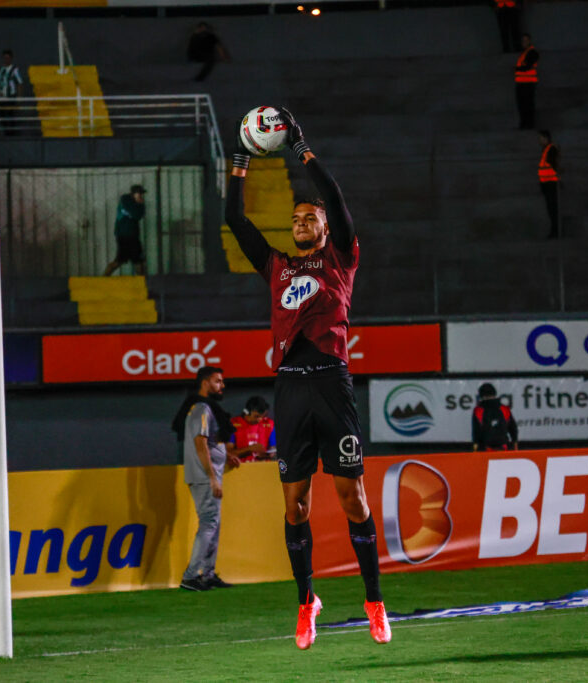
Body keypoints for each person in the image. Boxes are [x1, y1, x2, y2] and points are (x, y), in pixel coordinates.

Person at [225, 108, 391, 650]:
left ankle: (373, 600)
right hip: (291, 387)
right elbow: (235, 220)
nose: (300, 222)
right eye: (294, 218)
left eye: (308, 217)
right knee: (293, 504)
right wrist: (241, 162)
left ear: (324, 226)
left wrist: (302, 150)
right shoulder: (276, 266)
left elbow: (336, 197)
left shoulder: (341, 258)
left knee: (352, 499)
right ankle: (306, 602)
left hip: (332, 382)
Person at [172, 366, 240, 591]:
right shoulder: (201, 408)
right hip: (204, 476)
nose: (222, 385)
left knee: (213, 523)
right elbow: (200, 443)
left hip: (207, 474)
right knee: (209, 522)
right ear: (205, 383)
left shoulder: (204, 408)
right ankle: (191, 576)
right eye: (218, 381)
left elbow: (208, 443)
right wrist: (212, 477)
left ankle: (207, 573)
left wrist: (226, 455)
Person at [103, 185, 147, 276]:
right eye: (139, 193)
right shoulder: (125, 199)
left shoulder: (139, 204)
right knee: (120, 259)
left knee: (138, 259)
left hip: (133, 234)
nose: (141, 196)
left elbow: (139, 215)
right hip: (123, 234)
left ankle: (142, 281)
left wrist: (139, 205)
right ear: (133, 193)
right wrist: (138, 205)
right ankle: (104, 278)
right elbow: (135, 214)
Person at [471, 383, 518, 451]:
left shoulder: (478, 410)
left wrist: (475, 448)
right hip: (503, 448)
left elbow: (476, 432)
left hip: (485, 449)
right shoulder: (504, 409)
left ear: (481, 396)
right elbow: (513, 429)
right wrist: (515, 444)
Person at [231, 396, 276, 462]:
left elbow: (273, 449)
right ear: (246, 412)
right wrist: (250, 449)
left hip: (264, 468)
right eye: (256, 416)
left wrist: (268, 454)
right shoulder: (233, 424)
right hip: (240, 468)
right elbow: (228, 453)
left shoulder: (269, 424)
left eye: (263, 416)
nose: (260, 420)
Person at [538, 130, 561, 238]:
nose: (539, 140)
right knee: (551, 209)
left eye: (541, 138)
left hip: (551, 183)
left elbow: (554, 165)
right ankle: (554, 230)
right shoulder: (546, 149)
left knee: (553, 209)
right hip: (547, 183)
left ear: (546, 138)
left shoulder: (550, 149)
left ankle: (555, 231)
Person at [0, 50, 25, 135]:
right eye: (5, 58)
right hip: (1, 97)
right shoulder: (0, 69)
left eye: (8, 58)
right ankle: (6, 131)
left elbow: (20, 83)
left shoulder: (14, 69)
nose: (6, 59)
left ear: (11, 58)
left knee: (9, 114)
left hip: (10, 97)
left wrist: (19, 98)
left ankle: (11, 132)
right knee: (1, 114)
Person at [514, 33, 539, 129]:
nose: (524, 43)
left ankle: (528, 124)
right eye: (523, 41)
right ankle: (525, 123)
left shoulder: (532, 52)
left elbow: (528, 66)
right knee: (522, 105)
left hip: (528, 83)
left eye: (526, 40)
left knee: (527, 104)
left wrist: (517, 69)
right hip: (521, 83)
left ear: (529, 41)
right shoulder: (525, 53)